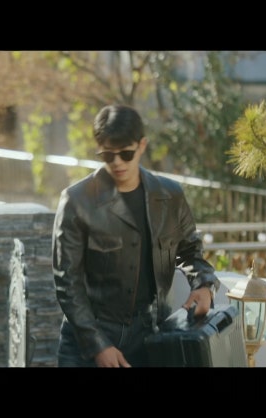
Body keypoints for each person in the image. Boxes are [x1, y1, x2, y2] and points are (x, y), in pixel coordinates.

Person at [51, 104, 220, 367]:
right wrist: (98, 344)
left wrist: (204, 285)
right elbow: (67, 282)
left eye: (126, 153)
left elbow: (190, 252)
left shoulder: (170, 196)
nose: (117, 162)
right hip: (88, 343)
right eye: (108, 155)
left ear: (142, 146)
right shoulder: (76, 201)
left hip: (150, 340)